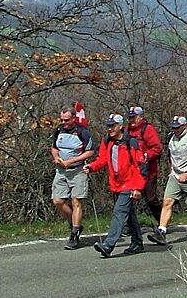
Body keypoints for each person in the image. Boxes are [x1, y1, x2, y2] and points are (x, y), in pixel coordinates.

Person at [87, 113, 147, 258]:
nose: (110, 129)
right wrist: (92, 167)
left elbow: (141, 166)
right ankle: (137, 242)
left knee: (119, 213)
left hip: (129, 184)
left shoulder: (131, 142)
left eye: (112, 126)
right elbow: (102, 160)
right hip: (116, 185)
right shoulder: (107, 141)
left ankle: (108, 245)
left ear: (120, 126)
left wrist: (138, 188)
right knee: (129, 214)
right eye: (108, 126)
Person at [153, 114, 187, 245]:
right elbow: (171, 156)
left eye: (177, 127)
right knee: (167, 202)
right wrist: (171, 170)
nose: (175, 130)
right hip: (175, 176)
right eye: (173, 127)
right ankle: (162, 232)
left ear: (184, 126)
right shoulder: (171, 137)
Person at [49, 107, 97, 249]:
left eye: (67, 120)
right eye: (62, 120)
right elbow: (54, 147)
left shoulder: (82, 131)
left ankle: (74, 234)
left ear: (73, 118)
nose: (64, 123)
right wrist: (56, 157)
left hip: (77, 170)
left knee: (76, 201)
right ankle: (75, 222)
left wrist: (72, 161)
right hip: (61, 171)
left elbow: (90, 152)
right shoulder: (58, 130)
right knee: (58, 201)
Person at [124, 106, 163, 205]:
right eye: (130, 117)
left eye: (134, 117)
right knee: (128, 198)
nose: (131, 120)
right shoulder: (126, 130)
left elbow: (157, 148)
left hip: (148, 169)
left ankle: (162, 219)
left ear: (140, 117)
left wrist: (144, 156)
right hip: (132, 170)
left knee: (150, 198)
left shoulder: (147, 129)